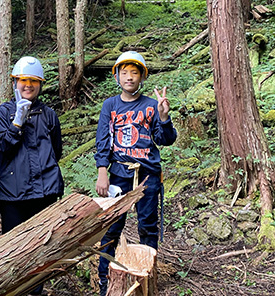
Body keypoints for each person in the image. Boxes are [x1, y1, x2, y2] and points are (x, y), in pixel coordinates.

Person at [94, 51, 177, 295]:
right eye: (124, 73)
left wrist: (163, 116)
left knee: (148, 227)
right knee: (111, 226)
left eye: (134, 72)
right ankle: (104, 280)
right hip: (119, 174)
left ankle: (146, 279)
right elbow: (103, 139)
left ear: (142, 77)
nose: (129, 77)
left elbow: (166, 139)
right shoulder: (110, 105)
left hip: (148, 174)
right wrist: (102, 171)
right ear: (117, 76)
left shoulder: (151, 105)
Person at [0, 56, 64, 296]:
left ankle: (36, 291)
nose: (28, 85)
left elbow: (56, 150)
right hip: (13, 194)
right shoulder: (3, 112)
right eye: (24, 80)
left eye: (34, 81)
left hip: (45, 192)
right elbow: (3, 147)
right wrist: (17, 123)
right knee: (14, 248)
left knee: (42, 246)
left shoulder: (48, 114)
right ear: (15, 82)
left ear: (40, 84)